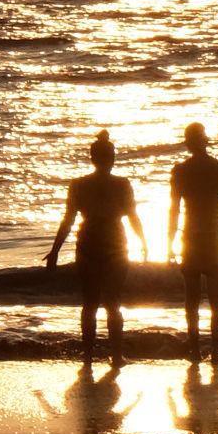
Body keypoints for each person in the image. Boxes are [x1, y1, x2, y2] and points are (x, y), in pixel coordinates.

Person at [45, 133, 147, 371]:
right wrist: (143, 241)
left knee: (89, 304)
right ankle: (116, 355)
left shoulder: (79, 184)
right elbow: (132, 216)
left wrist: (55, 250)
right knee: (113, 303)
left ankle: (88, 357)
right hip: (115, 246)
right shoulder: (122, 184)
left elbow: (68, 220)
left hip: (88, 246)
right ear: (112, 158)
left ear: (92, 158)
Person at [167, 121, 218, 366]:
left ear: (188, 143)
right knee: (216, 298)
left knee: (191, 298)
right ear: (205, 140)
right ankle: (217, 350)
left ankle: (194, 350)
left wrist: (169, 242)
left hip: (191, 237)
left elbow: (174, 210)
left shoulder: (180, 170)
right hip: (216, 237)